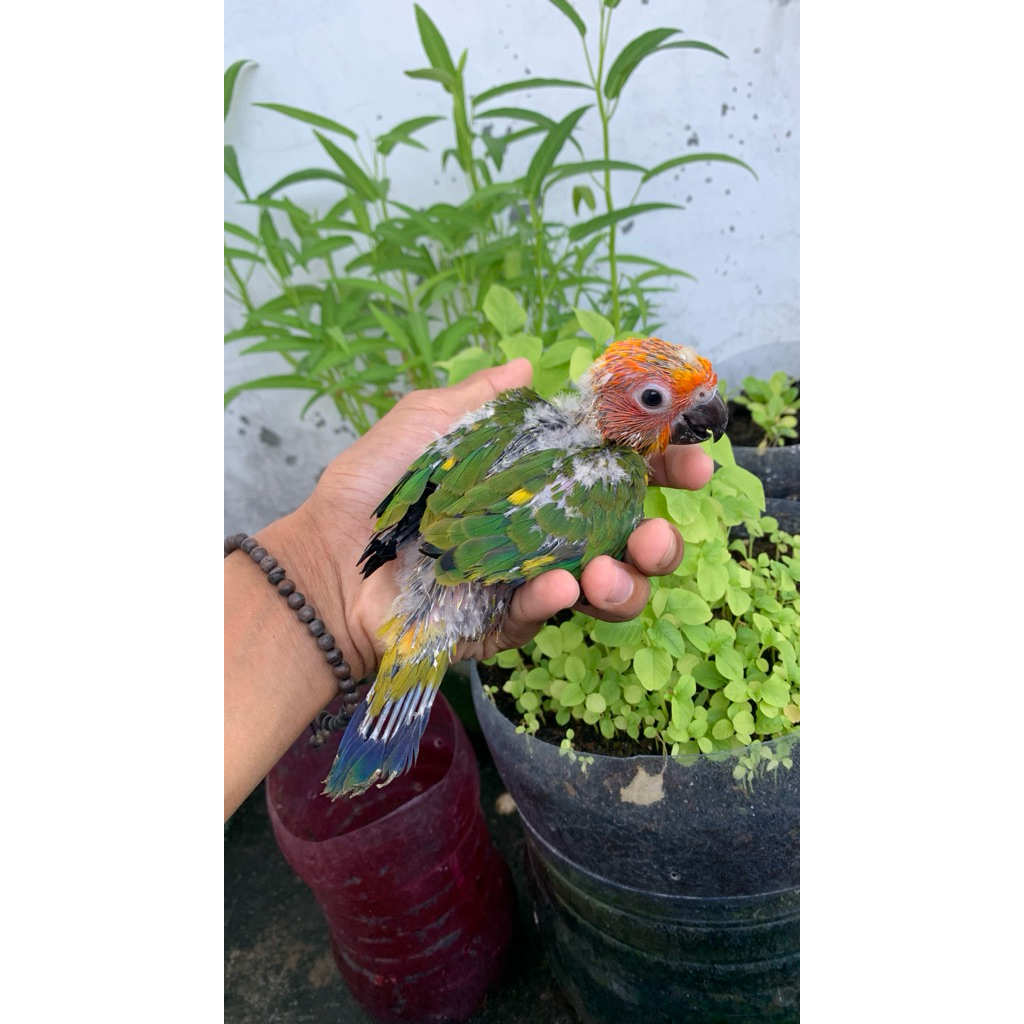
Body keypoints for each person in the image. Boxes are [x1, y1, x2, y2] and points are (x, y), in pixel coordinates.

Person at [225, 358, 715, 819]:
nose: (697, 413)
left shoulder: (518, 412)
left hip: (445, 554)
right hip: (463, 568)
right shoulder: (615, 483)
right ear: (606, 397)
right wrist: (323, 571)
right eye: (655, 398)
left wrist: (332, 573)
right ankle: (387, 722)